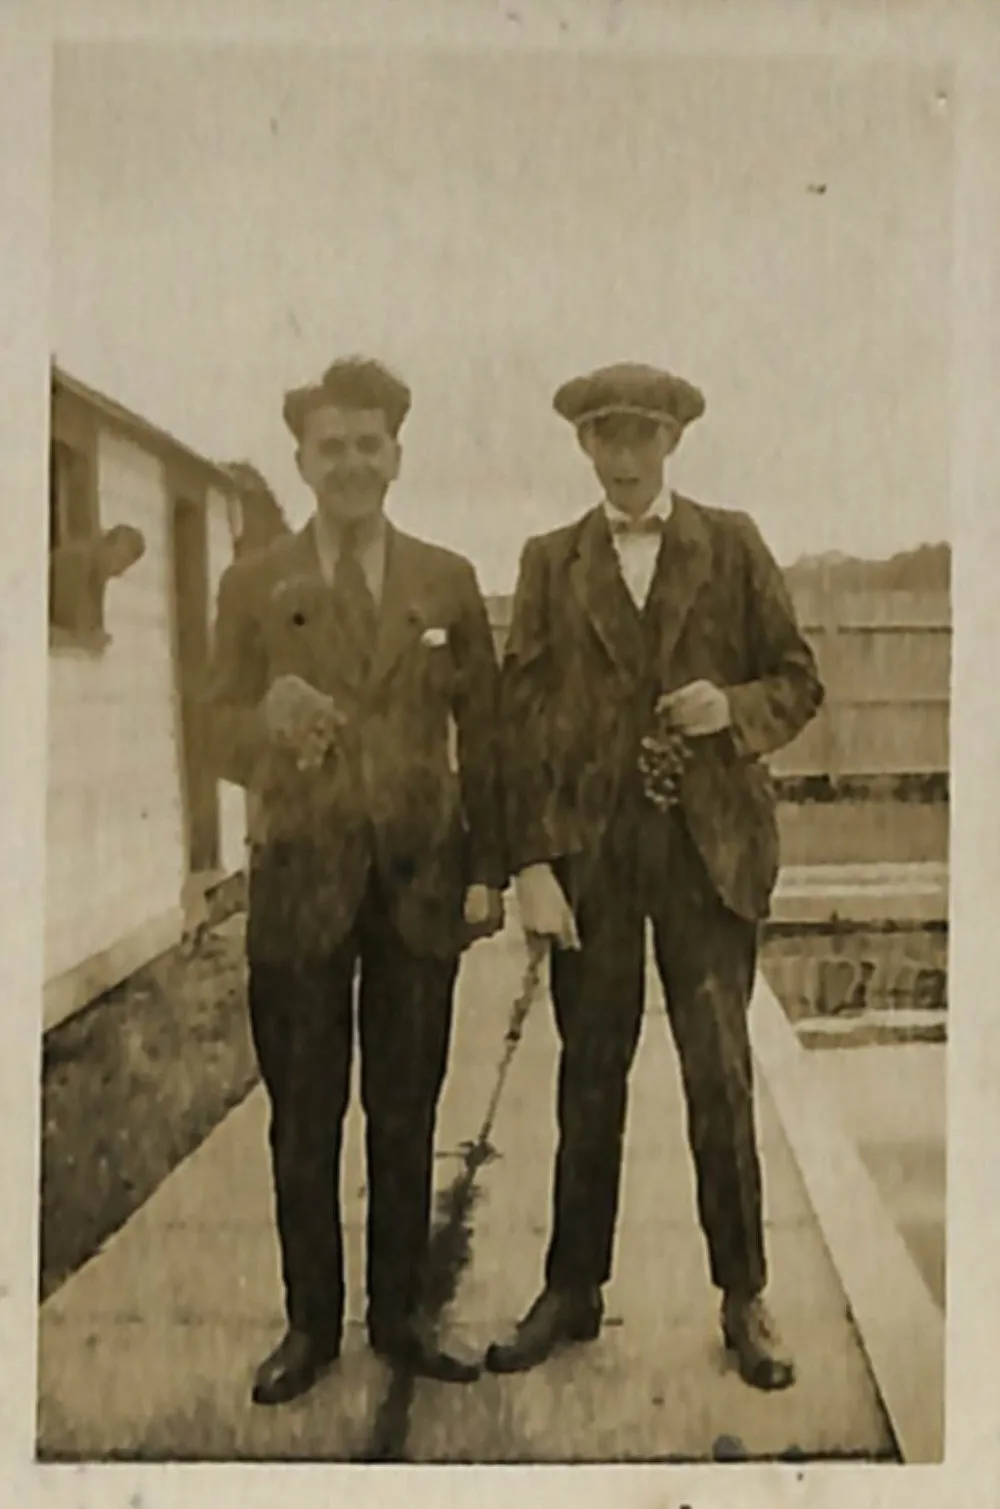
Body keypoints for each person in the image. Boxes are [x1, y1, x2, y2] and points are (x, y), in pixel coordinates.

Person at [487, 361, 824, 1389]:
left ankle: (743, 1297)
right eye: (605, 438)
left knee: (718, 1076)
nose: (625, 457)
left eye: (642, 436)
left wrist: (732, 707)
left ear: (673, 442)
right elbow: (515, 726)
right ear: (583, 448)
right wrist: (532, 863)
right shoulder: (550, 561)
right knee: (588, 1078)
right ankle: (572, 1287)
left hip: (707, 858)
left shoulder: (731, 544)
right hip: (593, 863)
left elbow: (799, 680)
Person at [203, 356, 506, 1405]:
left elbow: (491, 734)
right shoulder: (252, 584)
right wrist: (267, 728)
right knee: (304, 1119)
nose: (350, 464)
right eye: (329, 446)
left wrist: (487, 875)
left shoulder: (447, 580)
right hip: (300, 891)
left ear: (397, 456)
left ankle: (402, 1316)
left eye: (367, 444)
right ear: (300, 459)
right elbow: (210, 728)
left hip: (420, 887)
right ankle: (308, 1327)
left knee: (405, 1111)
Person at [49, 523, 145, 636]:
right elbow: (70, 627)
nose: (118, 572)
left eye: (125, 566)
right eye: (119, 559)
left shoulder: (97, 572)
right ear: (105, 544)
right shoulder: (76, 561)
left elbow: (91, 627)